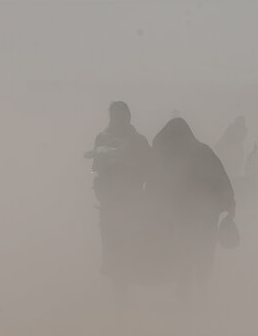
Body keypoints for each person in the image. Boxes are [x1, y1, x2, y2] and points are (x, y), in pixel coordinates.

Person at [147, 117, 236, 289]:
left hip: (181, 215)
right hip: (207, 215)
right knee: (205, 252)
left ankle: (185, 294)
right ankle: (201, 288)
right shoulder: (203, 151)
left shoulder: (167, 156)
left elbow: (156, 185)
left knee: (183, 254)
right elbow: (222, 179)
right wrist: (230, 205)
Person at [86, 101, 150, 282]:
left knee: (113, 236)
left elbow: (95, 167)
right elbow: (150, 167)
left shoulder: (105, 138)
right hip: (123, 198)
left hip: (119, 199)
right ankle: (120, 268)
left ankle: (117, 268)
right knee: (118, 235)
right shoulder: (137, 140)